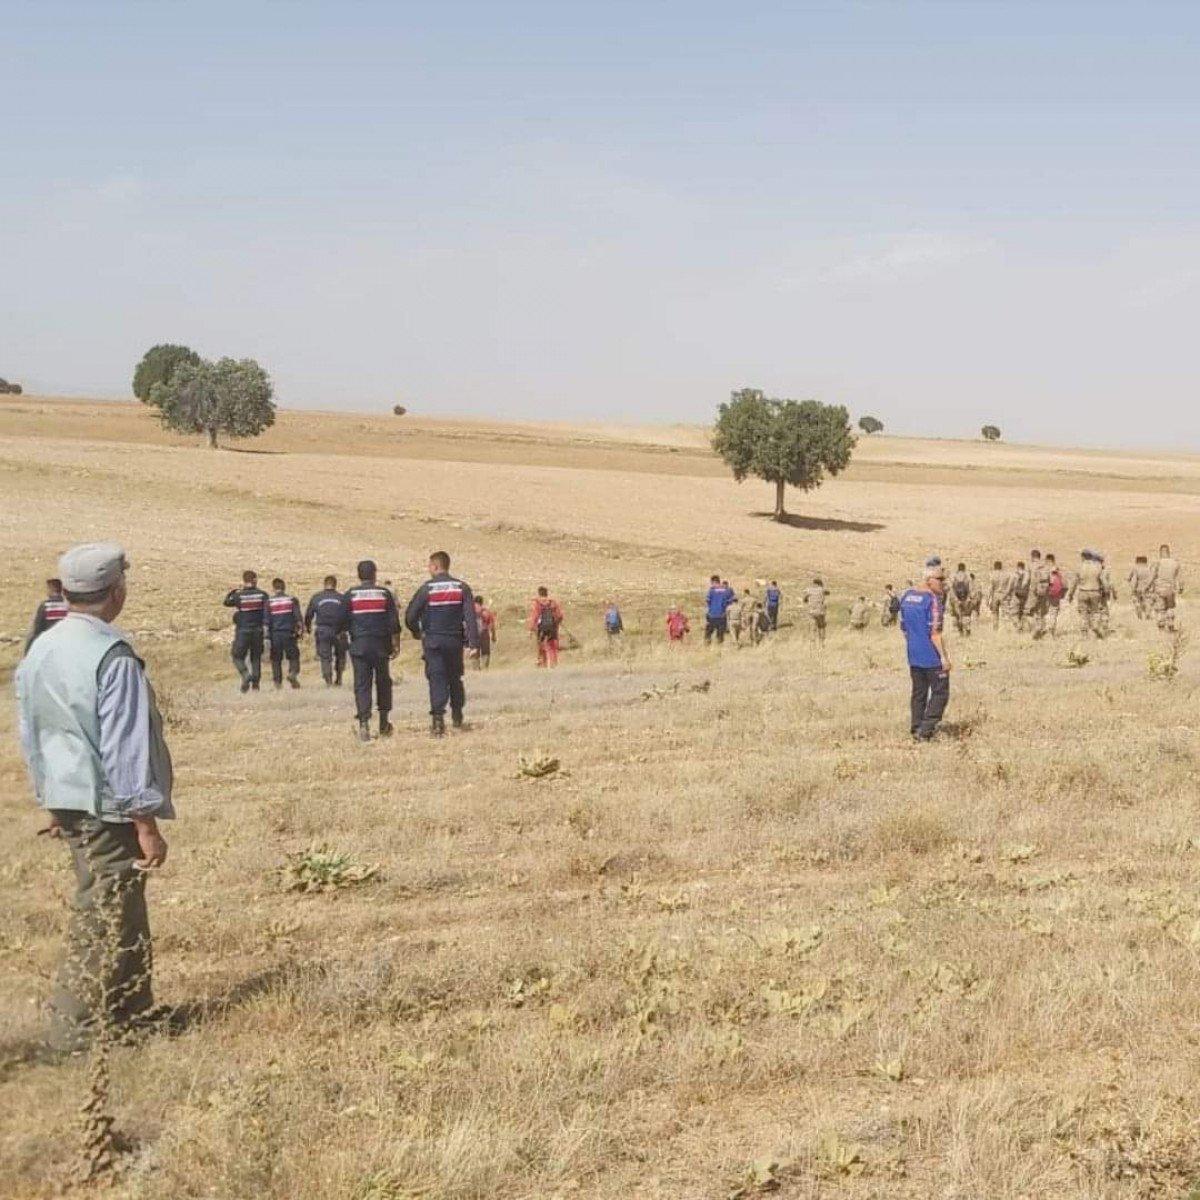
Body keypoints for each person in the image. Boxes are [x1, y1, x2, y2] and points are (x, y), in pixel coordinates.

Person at [15, 543, 174, 1052]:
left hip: (68, 796)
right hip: (107, 804)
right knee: (102, 913)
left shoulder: (41, 647)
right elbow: (125, 742)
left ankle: (127, 1011)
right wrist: (144, 819)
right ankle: (76, 1029)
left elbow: (32, 730)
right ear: (117, 592)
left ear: (64, 591)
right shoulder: (111, 654)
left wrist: (52, 799)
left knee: (121, 904)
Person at [405, 551, 480, 737]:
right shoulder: (462, 587)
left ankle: (438, 721)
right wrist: (474, 643)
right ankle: (457, 715)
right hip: (454, 641)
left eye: (429, 566)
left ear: (436, 566)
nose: (428, 569)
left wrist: (417, 631)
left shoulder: (427, 589)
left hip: (433, 641)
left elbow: (410, 616)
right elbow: (470, 617)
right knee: (455, 678)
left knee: (437, 679)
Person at [341, 560, 401, 741]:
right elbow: (394, 623)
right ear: (375, 574)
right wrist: (396, 644)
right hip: (381, 646)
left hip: (359, 646)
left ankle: (364, 723)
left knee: (362, 685)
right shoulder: (384, 594)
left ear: (359, 575)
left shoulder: (350, 595)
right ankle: (384, 721)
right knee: (383, 682)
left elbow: (342, 622)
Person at [899, 565, 951, 741]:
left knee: (919, 693)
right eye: (940, 579)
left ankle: (916, 727)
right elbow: (935, 633)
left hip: (913, 654)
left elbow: (904, 628)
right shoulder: (932, 600)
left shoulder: (906, 597)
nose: (943, 583)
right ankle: (926, 729)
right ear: (929, 580)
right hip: (931, 656)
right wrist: (944, 658)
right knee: (941, 693)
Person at [223, 569, 270, 693]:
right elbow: (268, 611)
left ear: (244, 581)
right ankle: (256, 685)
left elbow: (226, 602)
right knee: (256, 658)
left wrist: (233, 591)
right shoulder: (263, 595)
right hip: (258, 631)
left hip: (243, 631)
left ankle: (245, 675)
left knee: (237, 656)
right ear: (255, 580)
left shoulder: (239, 596)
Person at [305, 575, 348, 686]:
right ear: (335, 584)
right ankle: (339, 678)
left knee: (325, 656)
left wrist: (308, 627)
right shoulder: (342, 598)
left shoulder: (316, 597)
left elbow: (309, 614)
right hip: (340, 631)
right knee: (340, 655)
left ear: (324, 584)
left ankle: (328, 680)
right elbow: (348, 615)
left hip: (323, 630)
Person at [266, 578, 303, 689]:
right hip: (289, 634)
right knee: (294, 656)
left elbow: (266, 621)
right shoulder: (292, 600)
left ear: (273, 588)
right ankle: (292, 673)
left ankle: (278, 683)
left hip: (275, 635)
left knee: (276, 659)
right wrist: (300, 631)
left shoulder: (269, 602)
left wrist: (266, 636)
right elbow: (298, 618)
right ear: (284, 587)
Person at [24, 577, 70, 654]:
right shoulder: (68, 605)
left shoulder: (45, 605)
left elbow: (37, 628)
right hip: (65, 643)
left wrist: (28, 649)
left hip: (48, 643)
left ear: (51, 589)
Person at [1068, 549, 1107, 638]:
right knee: (1096, 612)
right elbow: (1104, 581)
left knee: (1083, 613)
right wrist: (1105, 591)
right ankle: (1096, 626)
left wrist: (1070, 595)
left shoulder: (1079, 567)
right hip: (1095, 592)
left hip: (1083, 592)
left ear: (1083, 557)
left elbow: (1074, 582)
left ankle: (1084, 634)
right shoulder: (1098, 567)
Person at [1149, 544, 1183, 632]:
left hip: (1159, 589)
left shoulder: (1157, 562)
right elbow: (1179, 578)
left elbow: (1152, 576)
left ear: (1160, 552)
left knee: (1161, 610)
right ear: (1168, 552)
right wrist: (1181, 588)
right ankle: (1171, 625)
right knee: (1170, 608)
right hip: (1170, 590)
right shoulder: (1175, 563)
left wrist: (1147, 587)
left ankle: (1161, 628)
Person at [528, 586, 564, 667]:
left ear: (539, 593)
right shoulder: (552, 602)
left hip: (541, 628)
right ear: (547, 593)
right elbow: (560, 615)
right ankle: (553, 663)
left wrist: (531, 629)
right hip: (552, 627)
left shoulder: (537, 603)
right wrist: (556, 624)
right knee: (552, 645)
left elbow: (535, 616)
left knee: (541, 645)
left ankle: (542, 662)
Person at [1027, 550, 1052, 639]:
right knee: (1041, 612)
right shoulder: (1045, 566)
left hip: (1033, 590)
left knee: (1029, 611)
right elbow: (1050, 580)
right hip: (1044, 591)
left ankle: (1035, 629)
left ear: (1032, 556)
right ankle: (1041, 629)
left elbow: (1027, 580)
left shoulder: (1030, 565)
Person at [703, 575, 734, 644]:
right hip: (722, 615)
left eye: (711, 583)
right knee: (720, 635)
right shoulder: (727, 590)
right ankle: (719, 649)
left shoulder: (711, 591)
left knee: (708, 633)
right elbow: (731, 601)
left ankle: (707, 648)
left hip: (712, 615)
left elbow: (708, 601)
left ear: (714, 582)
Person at [949, 563, 973, 636]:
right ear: (964, 568)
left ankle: (960, 632)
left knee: (957, 615)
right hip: (965, 599)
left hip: (956, 599)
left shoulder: (953, 576)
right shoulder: (968, 577)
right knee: (966, 615)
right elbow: (971, 589)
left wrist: (955, 599)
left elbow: (951, 589)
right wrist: (969, 598)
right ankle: (968, 630)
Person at [986, 561, 1011, 631]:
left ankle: (995, 629)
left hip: (995, 595)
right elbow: (1009, 586)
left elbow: (990, 588)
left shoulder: (992, 574)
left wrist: (987, 599)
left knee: (995, 613)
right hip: (1004, 595)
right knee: (1006, 613)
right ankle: (1007, 630)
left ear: (994, 567)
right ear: (1001, 566)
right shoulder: (1006, 575)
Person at [802, 577, 829, 644]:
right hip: (820, 612)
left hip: (811, 612)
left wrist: (808, 599)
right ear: (819, 584)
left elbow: (804, 599)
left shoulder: (809, 590)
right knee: (821, 627)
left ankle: (813, 643)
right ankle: (822, 643)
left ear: (814, 583)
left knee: (812, 628)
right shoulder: (821, 589)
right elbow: (828, 592)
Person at [1044, 554, 1066, 636]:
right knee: (1053, 612)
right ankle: (1051, 631)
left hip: (1046, 594)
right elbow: (1064, 584)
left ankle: (1044, 630)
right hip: (1056, 595)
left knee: (1044, 612)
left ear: (1047, 560)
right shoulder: (1058, 571)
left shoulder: (1044, 570)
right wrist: (1062, 594)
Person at [474, 595, 497, 668]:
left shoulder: (470, 611)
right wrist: (493, 635)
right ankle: (485, 668)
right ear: (482, 602)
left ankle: (476, 669)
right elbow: (492, 625)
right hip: (484, 632)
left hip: (474, 633)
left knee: (475, 653)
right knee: (486, 652)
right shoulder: (487, 611)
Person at [1128, 556, 1154, 621]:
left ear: (1137, 562)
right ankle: (1147, 614)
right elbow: (1152, 578)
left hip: (1138, 588)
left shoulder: (1136, 568)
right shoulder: (1149, 568)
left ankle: (1138, 610)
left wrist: (1132, 588)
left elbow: (1133, 579)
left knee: (1137, 601)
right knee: (1148, 602)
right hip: (1148, 589)